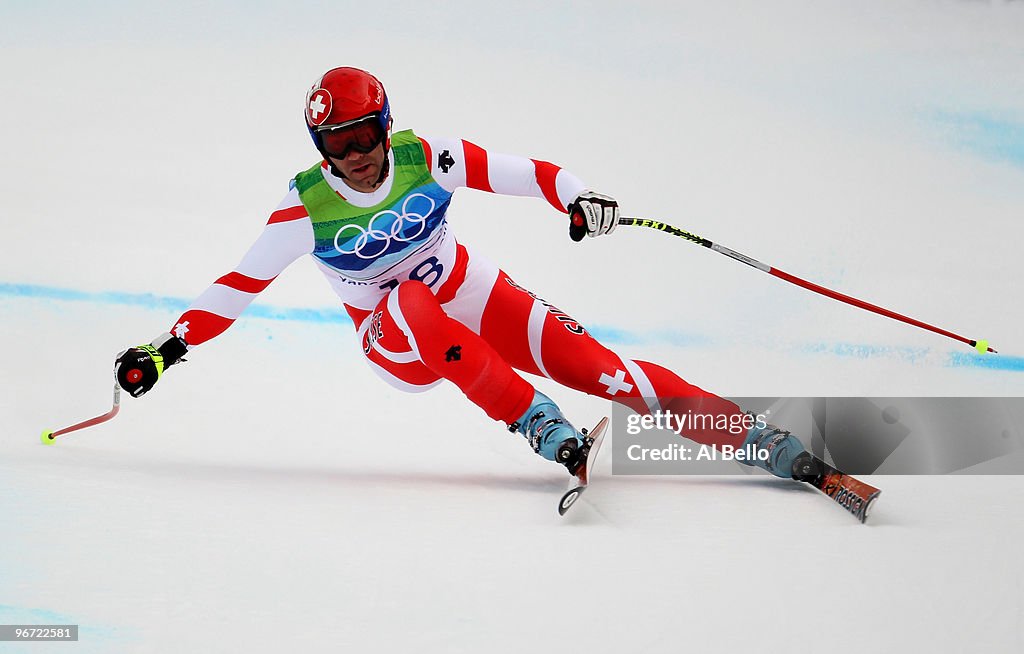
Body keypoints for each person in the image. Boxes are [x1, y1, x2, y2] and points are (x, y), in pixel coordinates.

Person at [114, 66, 813, 480]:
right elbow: (237, 287)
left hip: (473, 294)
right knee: (414, 296)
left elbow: (529, 174)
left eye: (363, 137)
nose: (354, 155)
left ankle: (763, 442)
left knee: (606, 370)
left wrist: (578, 199)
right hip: (398, 340)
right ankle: (539, 425)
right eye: (336, 144)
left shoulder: (431, 157)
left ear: (386, 126)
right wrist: (164, 351)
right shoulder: (306, 208)